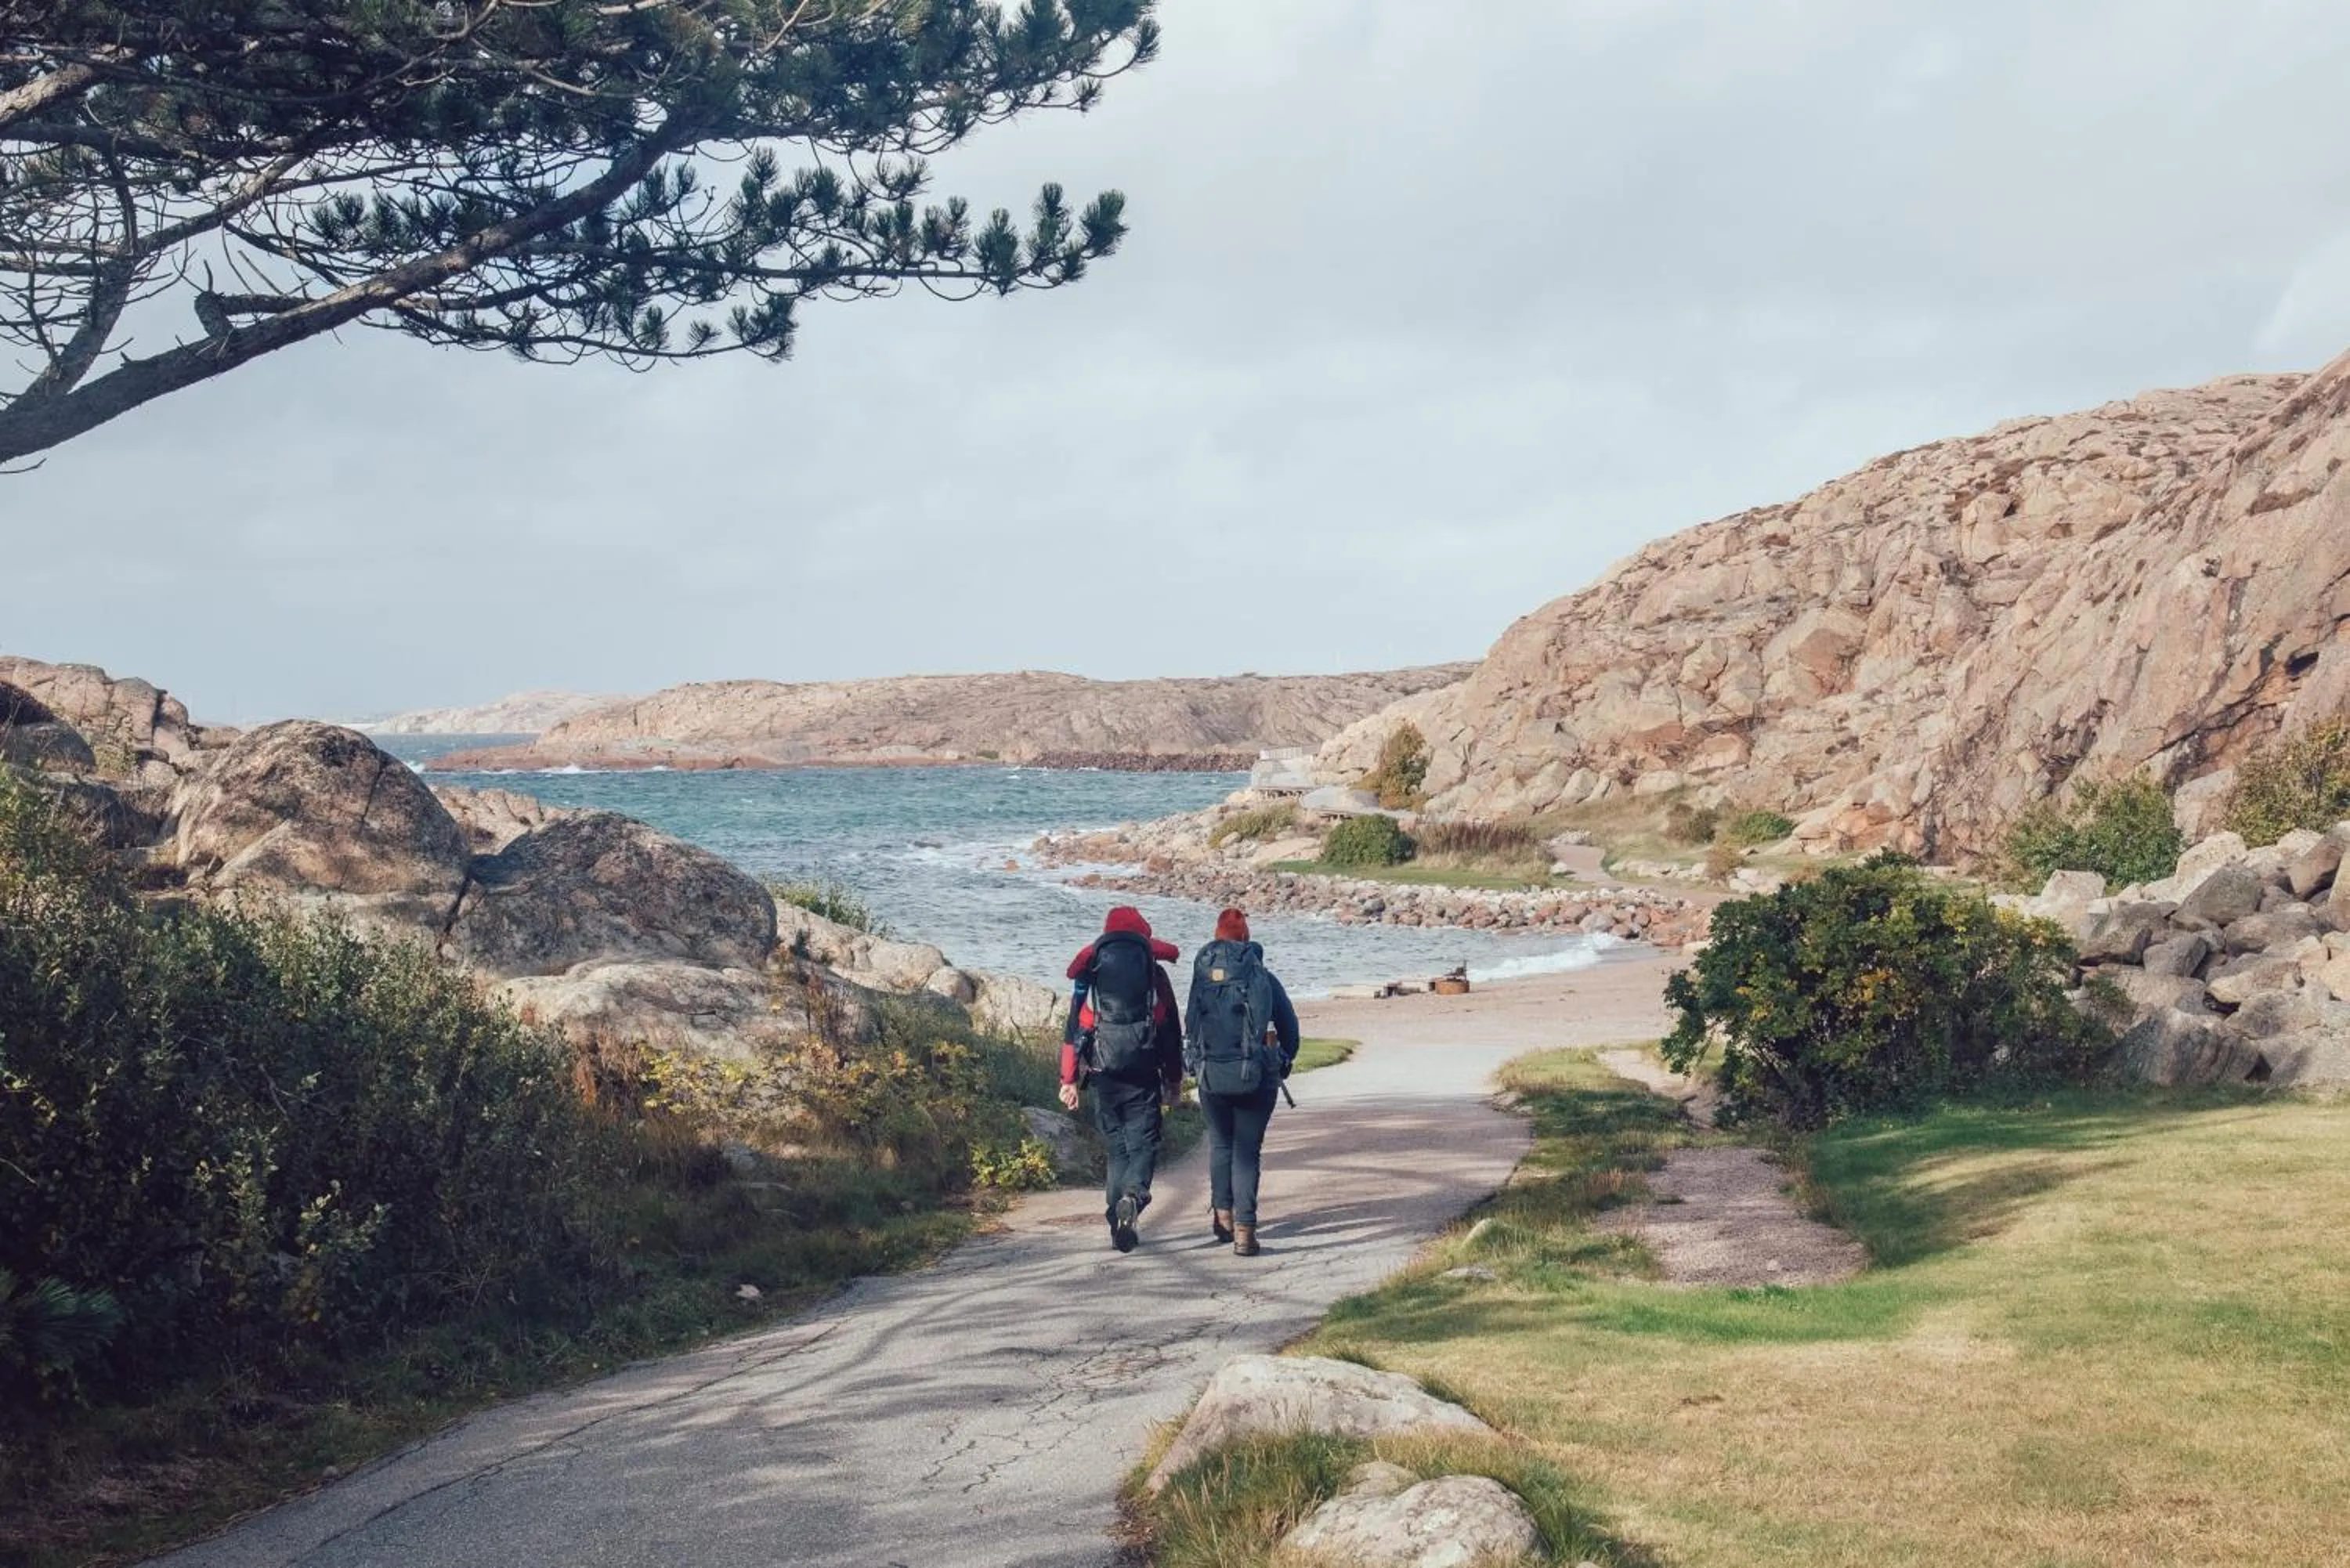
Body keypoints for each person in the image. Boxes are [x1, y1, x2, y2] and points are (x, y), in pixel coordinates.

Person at [1058, 905, 1184, 1252]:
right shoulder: (1154, 977)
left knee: (1117, 1151)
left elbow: (1075, 1030)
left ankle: (1118, 1223)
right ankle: (1133, 1198)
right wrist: (1174, 1081)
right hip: (1144, 1074)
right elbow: (1171, 1032)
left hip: (1104, 1074)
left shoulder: (1093, 974)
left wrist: (1068, 1080)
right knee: (1143, 1145)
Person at [1184, 907, 1298, 1257]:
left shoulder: (1203, 977)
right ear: (1247, 939)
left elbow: (1191, 1025)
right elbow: (1289, 1029)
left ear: (1217, 938)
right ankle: (1246, 1231)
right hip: (1255, 1075)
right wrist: (1285, 1060)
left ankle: (1223, 1217)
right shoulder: (1262, 976)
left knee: (1220, 1145)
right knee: (1247, 1152)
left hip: (1211, 1076)